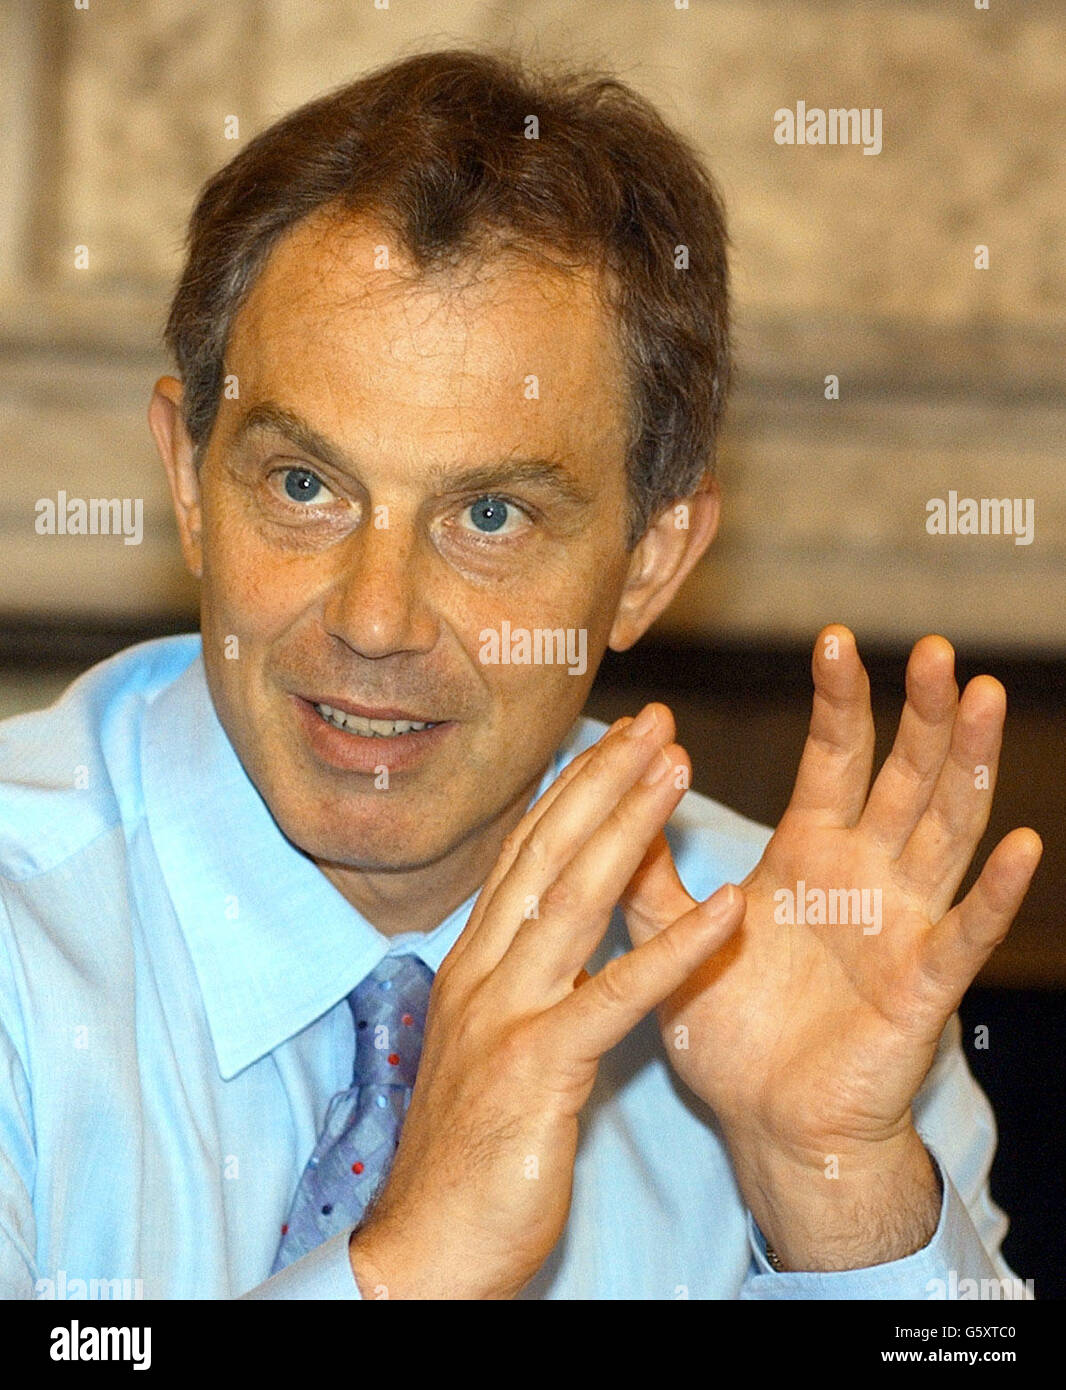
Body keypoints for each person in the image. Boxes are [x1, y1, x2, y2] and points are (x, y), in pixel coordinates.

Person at [0, 49, 1041, 1301]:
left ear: (652, 560)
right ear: (188, 483)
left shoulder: (799, 970)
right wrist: (410, 1268)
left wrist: (825, 1179)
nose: (376, 620)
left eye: (489, 517)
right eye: (303, 486)